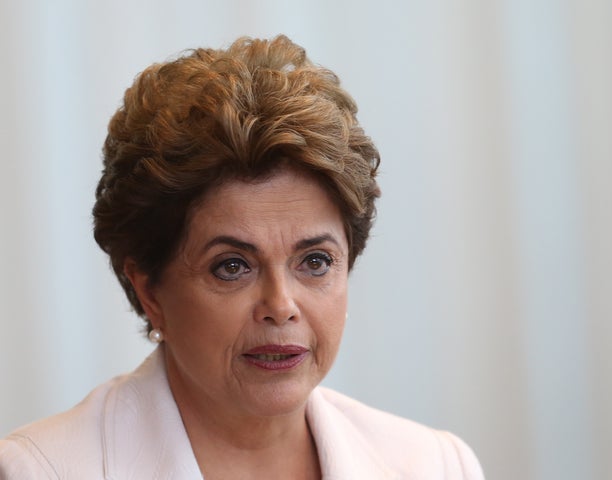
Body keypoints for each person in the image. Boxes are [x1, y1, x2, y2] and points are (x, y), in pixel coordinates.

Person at [0, 35, 483, 479]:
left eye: (314, 262)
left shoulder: (434, 464)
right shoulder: (43, 469)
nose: (281, 304)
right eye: (232, 266)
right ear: (150, 290)